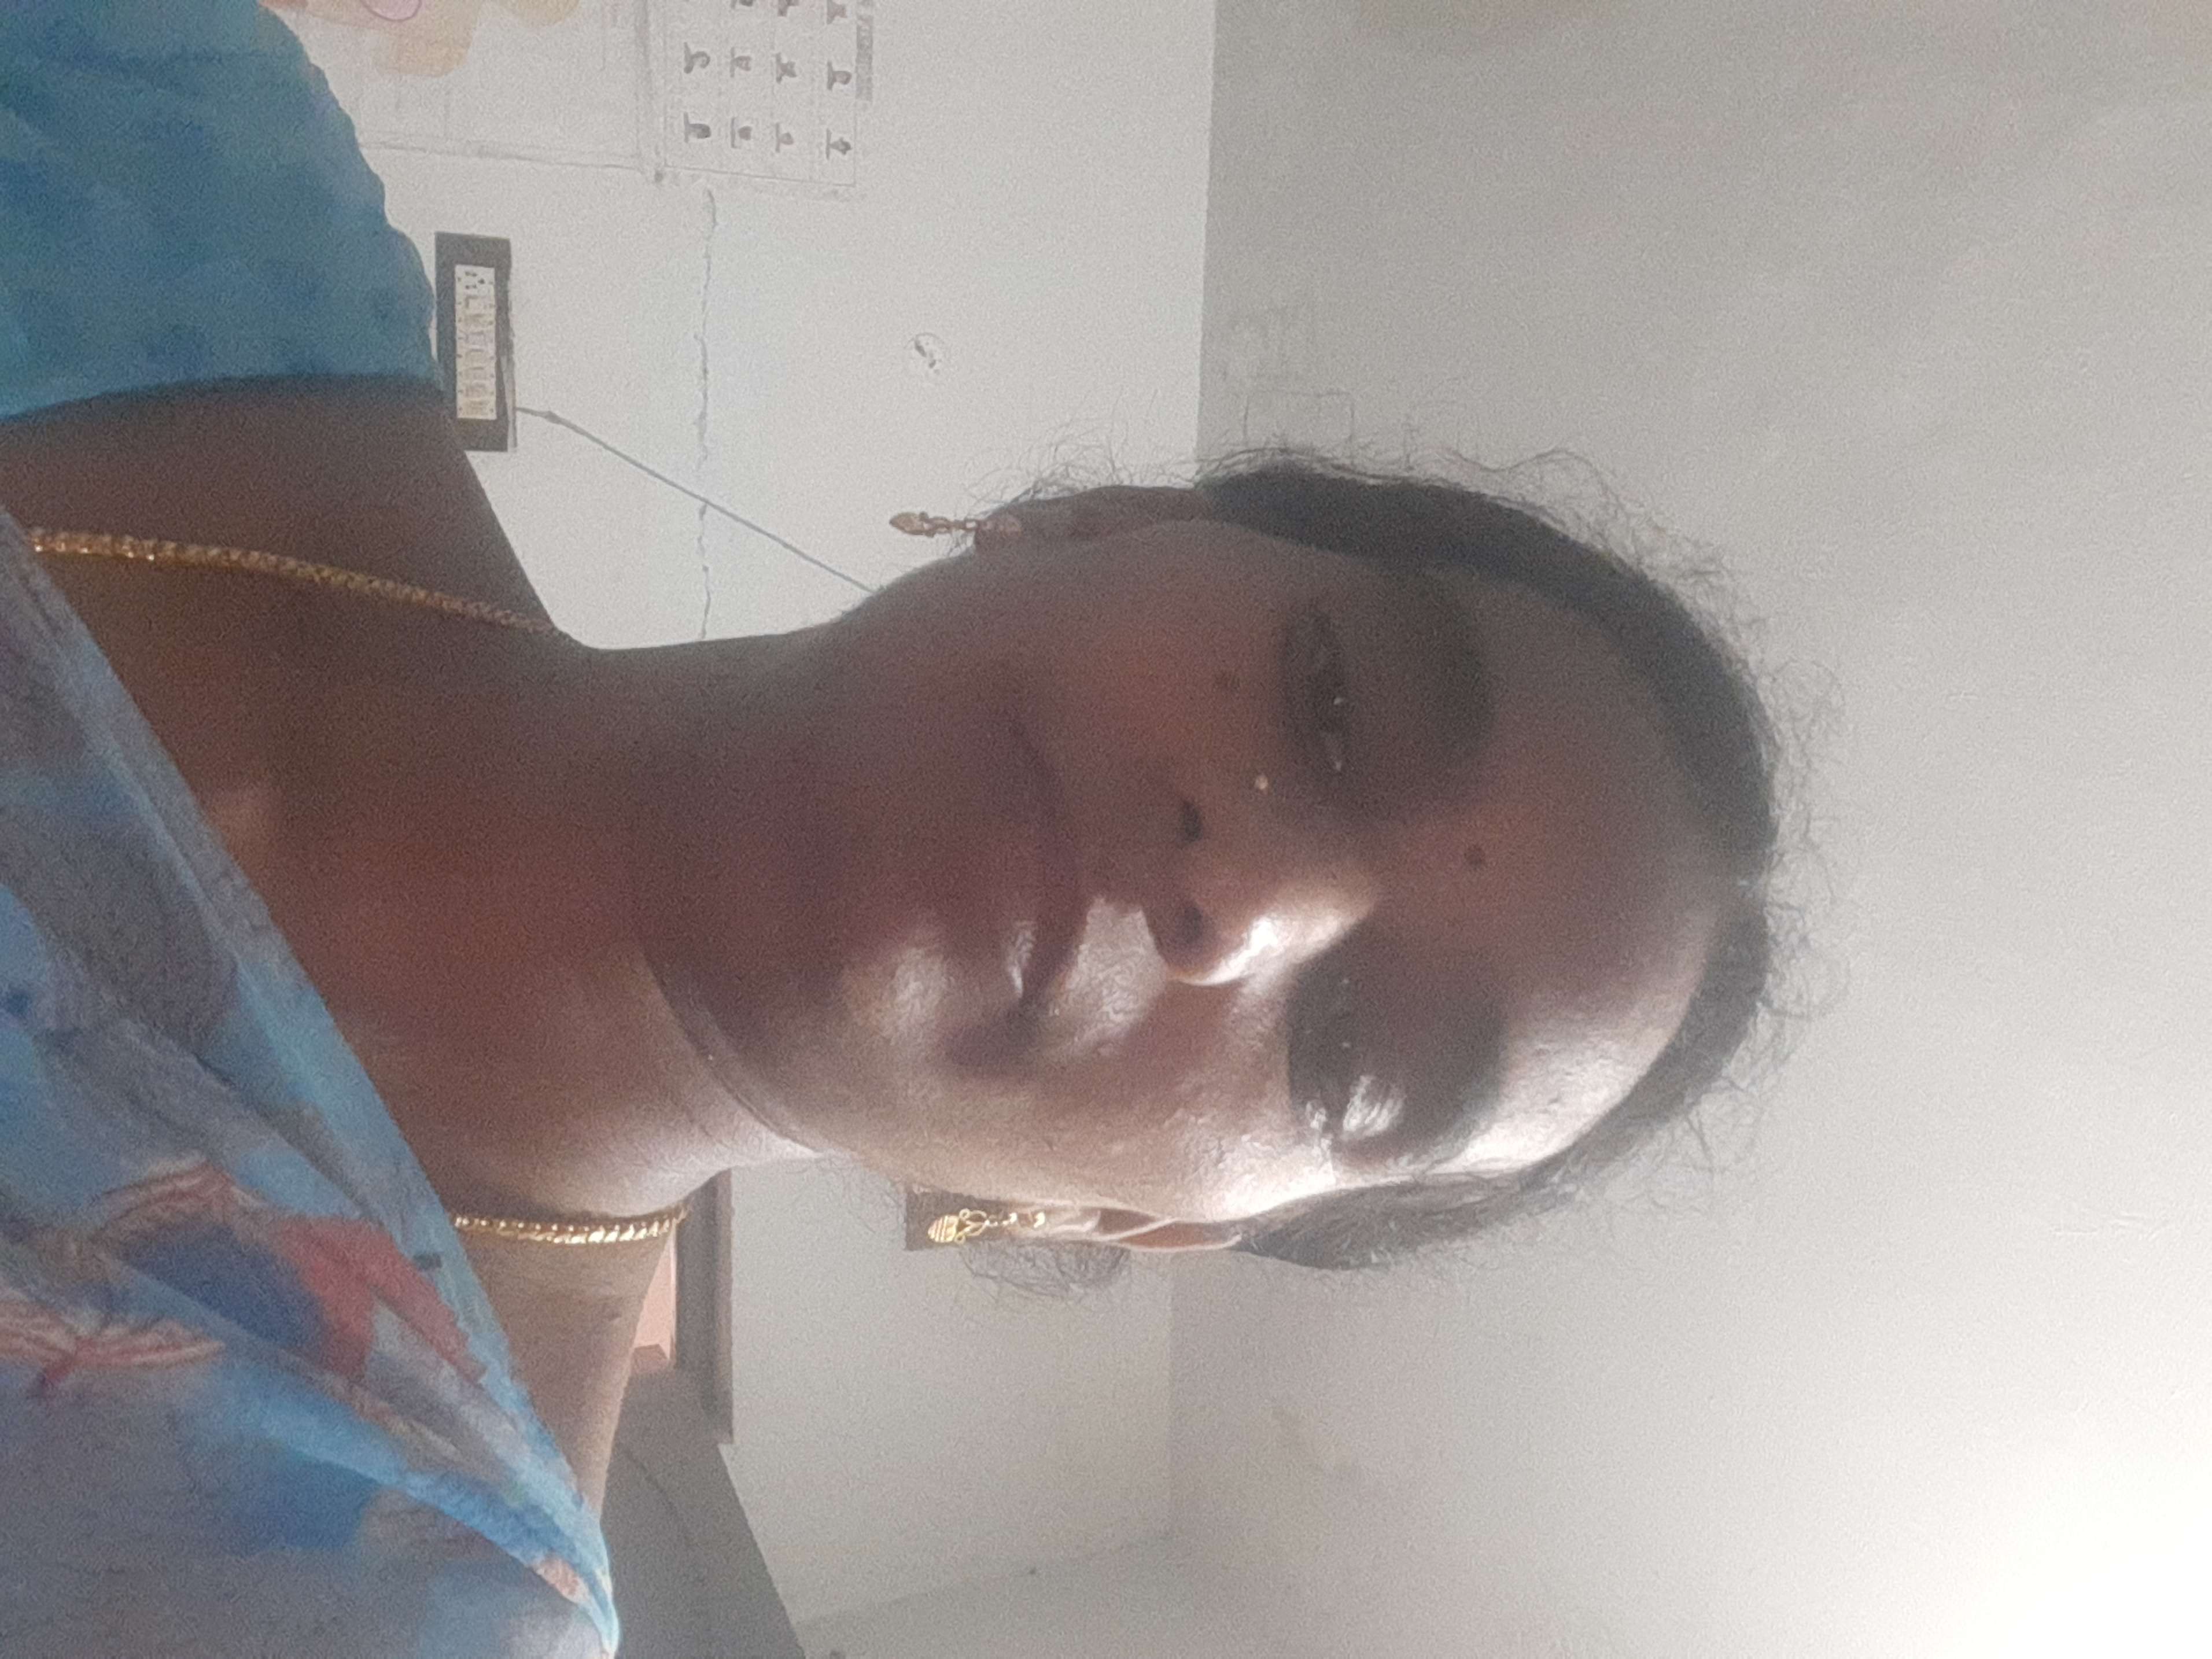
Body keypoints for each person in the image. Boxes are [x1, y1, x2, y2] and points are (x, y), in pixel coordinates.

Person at [0, 0, 1793, 1653]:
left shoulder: (366, 1589)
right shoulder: (162, 137)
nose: (1242, 890)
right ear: (1107, 521)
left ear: (1133, 1217)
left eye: (1353, 1051)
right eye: (1335, 707)